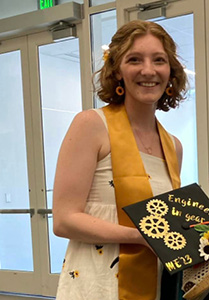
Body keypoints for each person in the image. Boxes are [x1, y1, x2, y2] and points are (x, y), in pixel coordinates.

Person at [52, 20, 187, 300]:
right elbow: (64, 220)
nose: (148, 70)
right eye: (134, 59)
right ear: (117, 70)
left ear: (170, 72)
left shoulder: (174, 146)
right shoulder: (91, 125)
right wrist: (139, 236)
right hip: (98, 282)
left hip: (156, 282)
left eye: (159, 60)